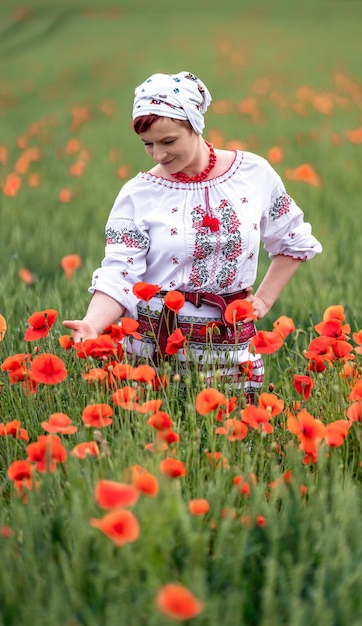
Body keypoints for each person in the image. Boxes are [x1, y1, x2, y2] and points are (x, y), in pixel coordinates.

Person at [63, 70, 322, 402]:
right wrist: (92, 324)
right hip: (153, 351)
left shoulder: (254, 174)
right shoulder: (139, 194)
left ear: (195, 125)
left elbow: (292, 239)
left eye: (168, 141)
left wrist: (264, 299)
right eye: (148, 144)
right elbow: (119, 273)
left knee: (234, 442)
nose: (158, 154)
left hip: (231, 345)